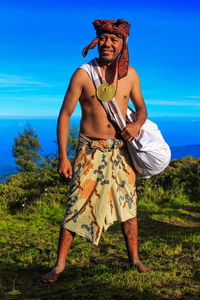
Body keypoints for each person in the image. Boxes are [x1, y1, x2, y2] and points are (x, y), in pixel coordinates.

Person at [42, 19, 151, 283]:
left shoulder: (131, 76)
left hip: (121, 152)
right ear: (96, 41)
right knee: (75, 206)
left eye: (114, 40)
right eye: (103, 39)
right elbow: (65, 114)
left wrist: (136, 124)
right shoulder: (82, 74)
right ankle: (59, 267)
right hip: (89, 151)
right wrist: (63, 157)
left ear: (123, 44)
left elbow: (142, 109)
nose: (107, 44)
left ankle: (135, 260)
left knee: (129, 207)